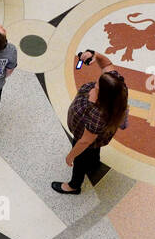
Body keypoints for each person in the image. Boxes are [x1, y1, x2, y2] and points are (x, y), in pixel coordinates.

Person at [53, 49, 130, 195]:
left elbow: (84, 141)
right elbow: (107, 65)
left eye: (97, 87)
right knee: (94, 150)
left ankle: (74, 186)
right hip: (98, 138)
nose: (95, 85)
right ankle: (94, 163)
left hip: (84, 137)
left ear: (104, 97)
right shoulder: (119, 87)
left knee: (80, 160)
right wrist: (96, 55)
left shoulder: (97, 114)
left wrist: (71, 156)